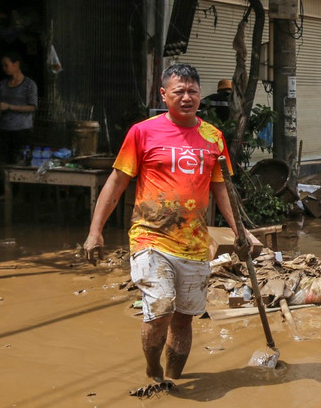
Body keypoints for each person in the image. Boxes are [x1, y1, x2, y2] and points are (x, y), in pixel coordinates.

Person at [83, 63, 252, 390]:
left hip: (194, 242)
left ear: (200, 94)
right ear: (164, 95)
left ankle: (173, 380)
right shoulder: (142, 132)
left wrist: (239, 232)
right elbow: (116, 182)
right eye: (179, 92)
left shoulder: (213, 137)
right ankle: (153, 371)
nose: (187, 98)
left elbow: (222, 190)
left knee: (184, 319)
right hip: (150, 237)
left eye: (192, 91)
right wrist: (95, 231)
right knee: (161, 308)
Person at [0, 51, 38, 168]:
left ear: (16, 64)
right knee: (2, 162)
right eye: (2, 66)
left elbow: (32, 107)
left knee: (19, 163)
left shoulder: (29, 84)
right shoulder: (3, 84)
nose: (4, 68)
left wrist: (10, 106)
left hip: (22, 130)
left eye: (6, 65)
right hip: (5, 129)